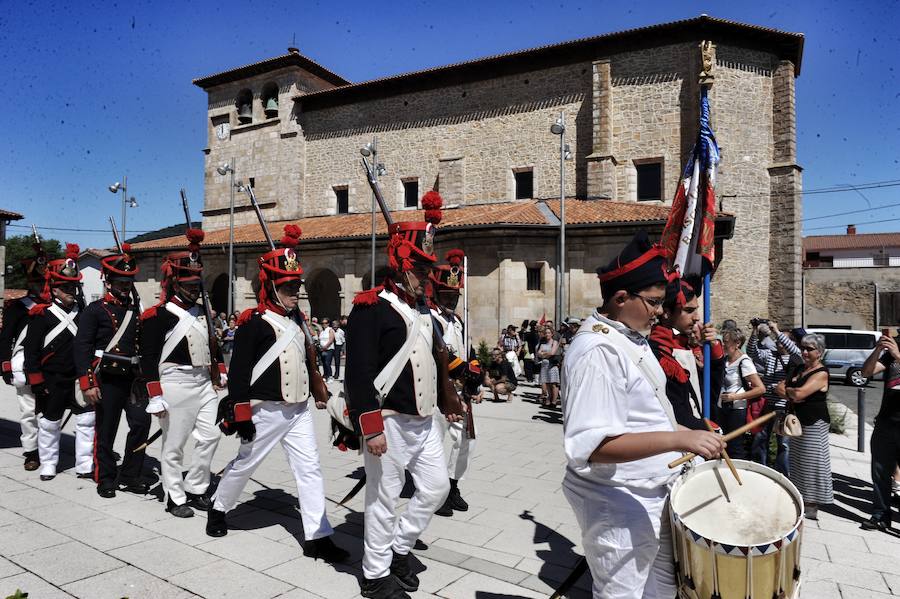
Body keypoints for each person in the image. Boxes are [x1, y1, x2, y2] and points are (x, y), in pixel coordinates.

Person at [562, 231, 725, 599]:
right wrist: (679, 439)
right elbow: (594, 445)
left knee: (663, 591)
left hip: (649, 492)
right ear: (621, 298)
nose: (659, 312)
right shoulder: (598, 350)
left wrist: (690, 430)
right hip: (616, 499)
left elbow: (646, 416)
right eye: (653, 303)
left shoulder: (627, 338)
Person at [208, 225, 348, 562]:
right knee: (246, 464)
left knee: (310, 470)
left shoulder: (298, 321)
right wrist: (241, 414)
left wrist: (319, 389)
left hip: (297, 409)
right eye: (287, 287)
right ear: (270, 286)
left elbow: (308, 360)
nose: (294, 292)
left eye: (296, 286)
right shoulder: (254, 322)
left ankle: (318, 535)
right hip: (265, 409)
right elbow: (239, 372)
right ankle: (218, 507)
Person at [345, 191, 460, 599]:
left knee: (435, 489)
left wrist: (451, 401)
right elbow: (356, 374)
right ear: (399, 263)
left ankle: (398, 548)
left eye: (428, 266)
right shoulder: (370, 307)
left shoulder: (424, 310)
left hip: (424, 420)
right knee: (383, 498)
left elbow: (436, 360)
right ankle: (375, 575)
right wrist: (370, 426)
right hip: (389, 420)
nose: (426, 274)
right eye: (418, 266)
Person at [140, 229, 225, 518]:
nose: (193, 287)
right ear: (175, 282)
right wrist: (155, 394)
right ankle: (174, 496)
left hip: (203, 383)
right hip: (175, 383)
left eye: (196, 282)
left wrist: (220, 370)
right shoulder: (157, 315)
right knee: (174, 445)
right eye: (188, 282)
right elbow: (148, 358)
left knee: (211, 436)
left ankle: (197, 487)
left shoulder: (202, 312)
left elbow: (213, 346)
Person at [73, 242, 147, 497]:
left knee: (141, 423)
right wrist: (88, 382)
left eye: (128, 281)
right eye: (120, 281)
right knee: (106, 429)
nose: (125, 285)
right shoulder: (95, 310)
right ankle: (105, 476)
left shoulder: (135, 310)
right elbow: (82, 348)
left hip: (133, 379)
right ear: (109, 281)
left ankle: (130, 473)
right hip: (107, 378)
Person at [23, 244, 94, 481]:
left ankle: (84, 464)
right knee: (49, 423)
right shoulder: (41, 315)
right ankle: (49, 463)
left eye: (73, 286)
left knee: (86, 420)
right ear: (54, 289)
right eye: (65, 287)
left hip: (77, 376)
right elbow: (31, 352)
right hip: (51, 378)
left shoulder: (83, 314)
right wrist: (36, 380)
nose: (71, 291)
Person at [429, 249, 478, 518]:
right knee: (436, 443)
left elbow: (467, 351)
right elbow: (438, 355)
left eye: (455, 295)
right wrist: (461, 369)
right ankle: (435, 493)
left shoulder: (458, 321)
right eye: (447, 295)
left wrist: (476, 372)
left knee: (465, 442)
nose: (452, 299)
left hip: (461, 390)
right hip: (438, 391)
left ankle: (452, 484)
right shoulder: (429, 320)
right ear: (436, 293)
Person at [649, 278, 723, 430]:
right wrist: (704, 428)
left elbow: (710, 395)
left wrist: (713, 349)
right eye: (689, 310)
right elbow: (674, 409)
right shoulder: (656, 352)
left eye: (696, 309)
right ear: (667, 312)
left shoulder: (688, 346)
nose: (696, 317)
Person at [776, 333, 833, 520]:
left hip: (814, 423)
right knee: (797, 461)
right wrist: (791, 392)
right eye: (803, 348)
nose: (804, 352)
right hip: (797, 421)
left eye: (809, 349)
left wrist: (790, 392)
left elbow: (799, 393)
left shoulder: (821, 373)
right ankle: (800, 498)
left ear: (820, 352)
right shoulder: (800, 368)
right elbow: (780, 387)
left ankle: (812, 505)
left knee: (813, 463)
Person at [0, 249, 46, 471]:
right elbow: (5, 339)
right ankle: (31, 451)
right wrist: (6, 367)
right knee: (29, 411)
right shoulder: (18, 308)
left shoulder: (56, 307)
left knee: (49, 412)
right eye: (38, 281)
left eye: (45, 281)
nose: (41, 285)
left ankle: (48, 449)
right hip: (24, 365)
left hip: (51, 364)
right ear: (30, 281)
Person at [747, 321, 802, 475]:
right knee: (760, 438)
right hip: (767, 405)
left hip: (784, 407)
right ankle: (760, 470)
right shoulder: (770, 355)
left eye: (782, 340)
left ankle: (783, 474)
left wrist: (776, 331)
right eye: (777, 340)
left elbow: (796, 352)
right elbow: (752, 352)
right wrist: (755, 331)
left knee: (783, 443)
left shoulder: (794, 359)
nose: (779, 343)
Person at [860, 330, 900, 531]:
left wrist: (899, 357)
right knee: (880, 472)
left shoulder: (897, 353)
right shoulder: (892, 350)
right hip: (886, 421)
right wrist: (878, 350)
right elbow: (866, 372)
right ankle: (880, 515)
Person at [718, 328, 765, 459]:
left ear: (737, 343)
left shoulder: (744, 362)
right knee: (722, 444)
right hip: (723, 408)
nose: (723, 345)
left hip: (737, 410)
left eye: (726, 342)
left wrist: (735, 396)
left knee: (735, 446)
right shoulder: (725, 360)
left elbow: (760, 389)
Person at [537, 326, 560, 407]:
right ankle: (549, 399)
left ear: (552, 334)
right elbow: (538, 353)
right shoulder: (543, 343)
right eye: (546, 333)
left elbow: (552, 353)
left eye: (549, 333)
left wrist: (544, 354)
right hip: (544, 366)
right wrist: (546, 354)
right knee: (547, 384)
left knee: (554, 383)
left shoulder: (555, 342)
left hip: (552, 365)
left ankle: (554, 401)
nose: (547, 334)